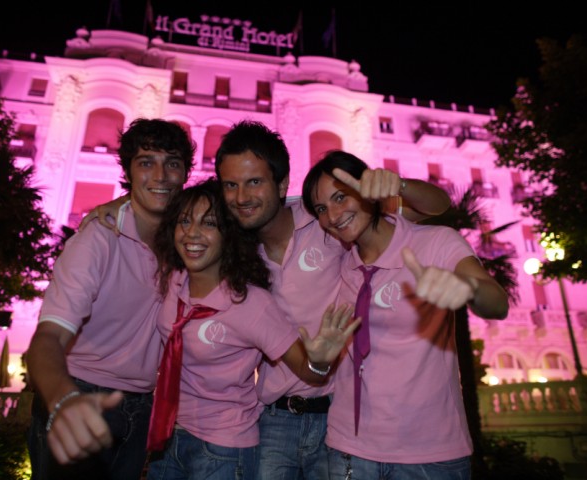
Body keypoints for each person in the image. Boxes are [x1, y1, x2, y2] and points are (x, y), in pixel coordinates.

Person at [83, 120, 451, 479]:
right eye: (231, 185)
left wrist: (396, 184)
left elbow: (434, 207)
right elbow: (180, 220)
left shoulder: (327, 218)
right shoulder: (230, 251)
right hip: (271, 418)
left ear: (282, 184)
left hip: (337, 417)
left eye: (254, 182)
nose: (242, 197)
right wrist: (124, 206)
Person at [301, 151, 509, 479]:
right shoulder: (342, 266)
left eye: (340, 197)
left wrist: (468, 288)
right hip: (347, 451)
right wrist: (319, 362)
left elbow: (498, 304)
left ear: (368, 188)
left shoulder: (433, 242)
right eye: (322, 209)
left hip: (429, 452)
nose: (333, 215)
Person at [146, 179, 359, 479]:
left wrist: (321, 361)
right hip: (168, 438)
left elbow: (309, 371)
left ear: (229, 236)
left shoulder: (250, 303)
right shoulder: (174, 280)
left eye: (209, 223)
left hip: (222, 447)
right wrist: (112, 209)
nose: (192, 232)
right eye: (184, 221)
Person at [26, 118, 195, 480]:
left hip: (142, 408)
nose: (161, 175)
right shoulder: (98, 239)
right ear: (128, 171)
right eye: (146, 162)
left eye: (173, 163)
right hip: (82, 395)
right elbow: (48, 338)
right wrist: (62, 399)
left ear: (185, 175)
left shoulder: (187, 244)